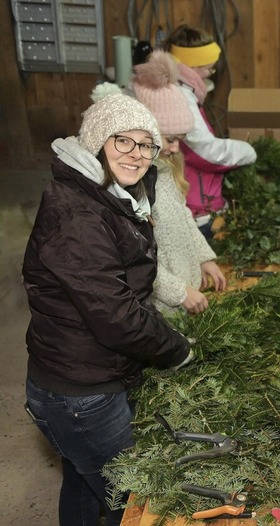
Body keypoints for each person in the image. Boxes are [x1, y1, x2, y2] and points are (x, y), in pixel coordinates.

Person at [22, 84, 194, 526]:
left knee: (84, 478)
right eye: (123, 140)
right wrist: (178, 349)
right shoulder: (78, 213)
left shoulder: (113, 197)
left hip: (80, 379)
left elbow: (129, 287)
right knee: (133, 501)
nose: (137, 154)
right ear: (97, 142)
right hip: (82, 393)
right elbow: (116, 314)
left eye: (146, 144)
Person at [132, 50, 227, 315]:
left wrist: (203, 257)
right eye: (170, 139)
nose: (175, 148)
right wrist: (179, 292)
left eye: (180, 140)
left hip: (182, 295)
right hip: (159, 304)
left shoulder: (164, 169)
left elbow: (183, 216)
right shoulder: (132, 187)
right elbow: (135, 260)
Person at [164, 24, 257, 239]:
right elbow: (204, 152)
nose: (210, 74)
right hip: (195, 208)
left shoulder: (181, 88)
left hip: (194, 202)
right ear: (192, 66)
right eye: (209, 68)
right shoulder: (179, 97)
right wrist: (246, 151)